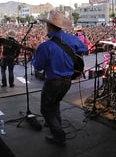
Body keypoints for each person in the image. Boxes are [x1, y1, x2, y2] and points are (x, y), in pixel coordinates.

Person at [32, 10, 88, 146]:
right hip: (68, 81)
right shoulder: (72, 39)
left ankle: (58, 135)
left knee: (46, 109)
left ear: (49, 27)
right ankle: (56, 123)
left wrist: (36, 54)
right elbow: (84, 48)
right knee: (55, 103)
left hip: (53, 82)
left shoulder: (45, 46)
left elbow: (37, 66)